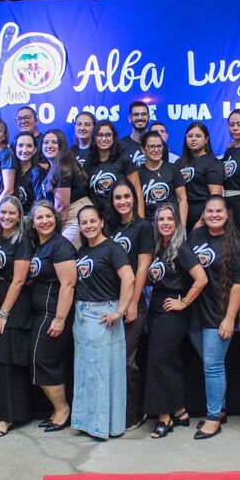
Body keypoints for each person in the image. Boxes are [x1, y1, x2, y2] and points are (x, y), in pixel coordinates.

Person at [143, 204, 208, 439]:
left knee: (159, 363)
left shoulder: (182, 248)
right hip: (157, 310)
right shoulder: (160, 248)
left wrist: (183, 302)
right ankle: (180, 409)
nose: (165, 223)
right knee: (169, 363)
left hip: (173, 313)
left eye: (170, 219)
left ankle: (164, 417)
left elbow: (201, 279)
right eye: (161, 219)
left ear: (177, 222)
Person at [72, 204, 135, 439]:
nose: (88, 226)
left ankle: (103, 426)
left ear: (101, 222)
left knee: (102, 372)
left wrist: (120, 310)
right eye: (83, 222)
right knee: (85, 370)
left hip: (102, 314)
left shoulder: (112, 248)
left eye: (92, 221)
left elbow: (128, 278)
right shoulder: (82, 252)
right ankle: (86, 422)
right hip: (82, 315)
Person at [187, 195, 240, 440]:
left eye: (219, 211)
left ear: (227, 214)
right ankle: (219, 408)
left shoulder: (235, 244)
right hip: (195, 314)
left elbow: (238, 285)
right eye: (209, 211)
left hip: (218, 315)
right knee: (210, 364)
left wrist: (230, 318)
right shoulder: (196, 237)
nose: (214, 215)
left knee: (212, 366)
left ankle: (213, 418)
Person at [107, 181, 154, 430]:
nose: (122, 201)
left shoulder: (143, 227)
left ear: (134, 199)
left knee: (127, 361)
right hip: (111, 303)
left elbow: (143, 266)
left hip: (133, 304)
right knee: (113, 361)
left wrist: (134, 302)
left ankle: (135, 414)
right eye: (117, 197)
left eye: (126, 196)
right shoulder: (110, 227)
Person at [27, 201, 78, 433]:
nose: (45, 221)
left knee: (45, 360)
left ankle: (62, 409)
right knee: (40, 361)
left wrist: (59, 318)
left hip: (54, 313)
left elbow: (68, 284)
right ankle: (58, 408)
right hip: (41, 312)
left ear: (56, 219)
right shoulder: (39, 245)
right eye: (39, 217)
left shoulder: (60, 246)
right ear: (33, 222)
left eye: (49, 216)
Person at [0, 196, 35, 438]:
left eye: (11, 213)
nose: (6, 217)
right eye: (3, 213)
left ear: (19, 216)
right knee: (0, 358)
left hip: (14, 302)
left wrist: (4, 313)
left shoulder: (22, 241)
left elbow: (19, 280)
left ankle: (8, 417)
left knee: (9, 359)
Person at [42, 129, 92, 244]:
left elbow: (62, 207)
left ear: (62, 145)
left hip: (73, 216)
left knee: (62, 252)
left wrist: (57, 230)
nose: (49, 146)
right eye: (46, 142)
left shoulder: (62, 168)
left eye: (54, 142)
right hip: (69, 215)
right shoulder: (55, 167)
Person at [86, 120, 144, 218]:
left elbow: (137, 191)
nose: (104, 138)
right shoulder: (89, 164)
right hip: (100, 219)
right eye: (100, 135)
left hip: (123, 217)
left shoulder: (123, 159)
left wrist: (140, 220)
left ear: (114, 137)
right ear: (94, 138)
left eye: (108, 135)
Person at [179, 121, 224, 229]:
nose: (193, 139)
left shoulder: (213, 163)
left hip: (202, 216)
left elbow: (215, 196)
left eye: (198, 136)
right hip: (181, 216)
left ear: (206, 140)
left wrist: (202, 219)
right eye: (190, 136)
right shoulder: (179, 163)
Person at [137, 130, 187, 224]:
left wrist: (182, 226)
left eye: (159, 146)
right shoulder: (137, 174)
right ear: (143, 149)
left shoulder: (173, 169)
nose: (156, 150)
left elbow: (182, 199)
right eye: (151, 146)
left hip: (170, 224)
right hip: (148, 226)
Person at [12, 132, 45, 213]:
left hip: (29, 219)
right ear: (14, 148)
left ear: (35, 150)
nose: (24, 150)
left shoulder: (36, 172)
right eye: (20, 145)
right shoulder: (10, 172)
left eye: (29, 146)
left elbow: (40, 203)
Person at [122, 100, 152, 166]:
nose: (140, 118)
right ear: (130, 118)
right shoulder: (120, 146)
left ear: (149, 118)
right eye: (136, 114)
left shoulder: (159, 144)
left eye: (143, 114)